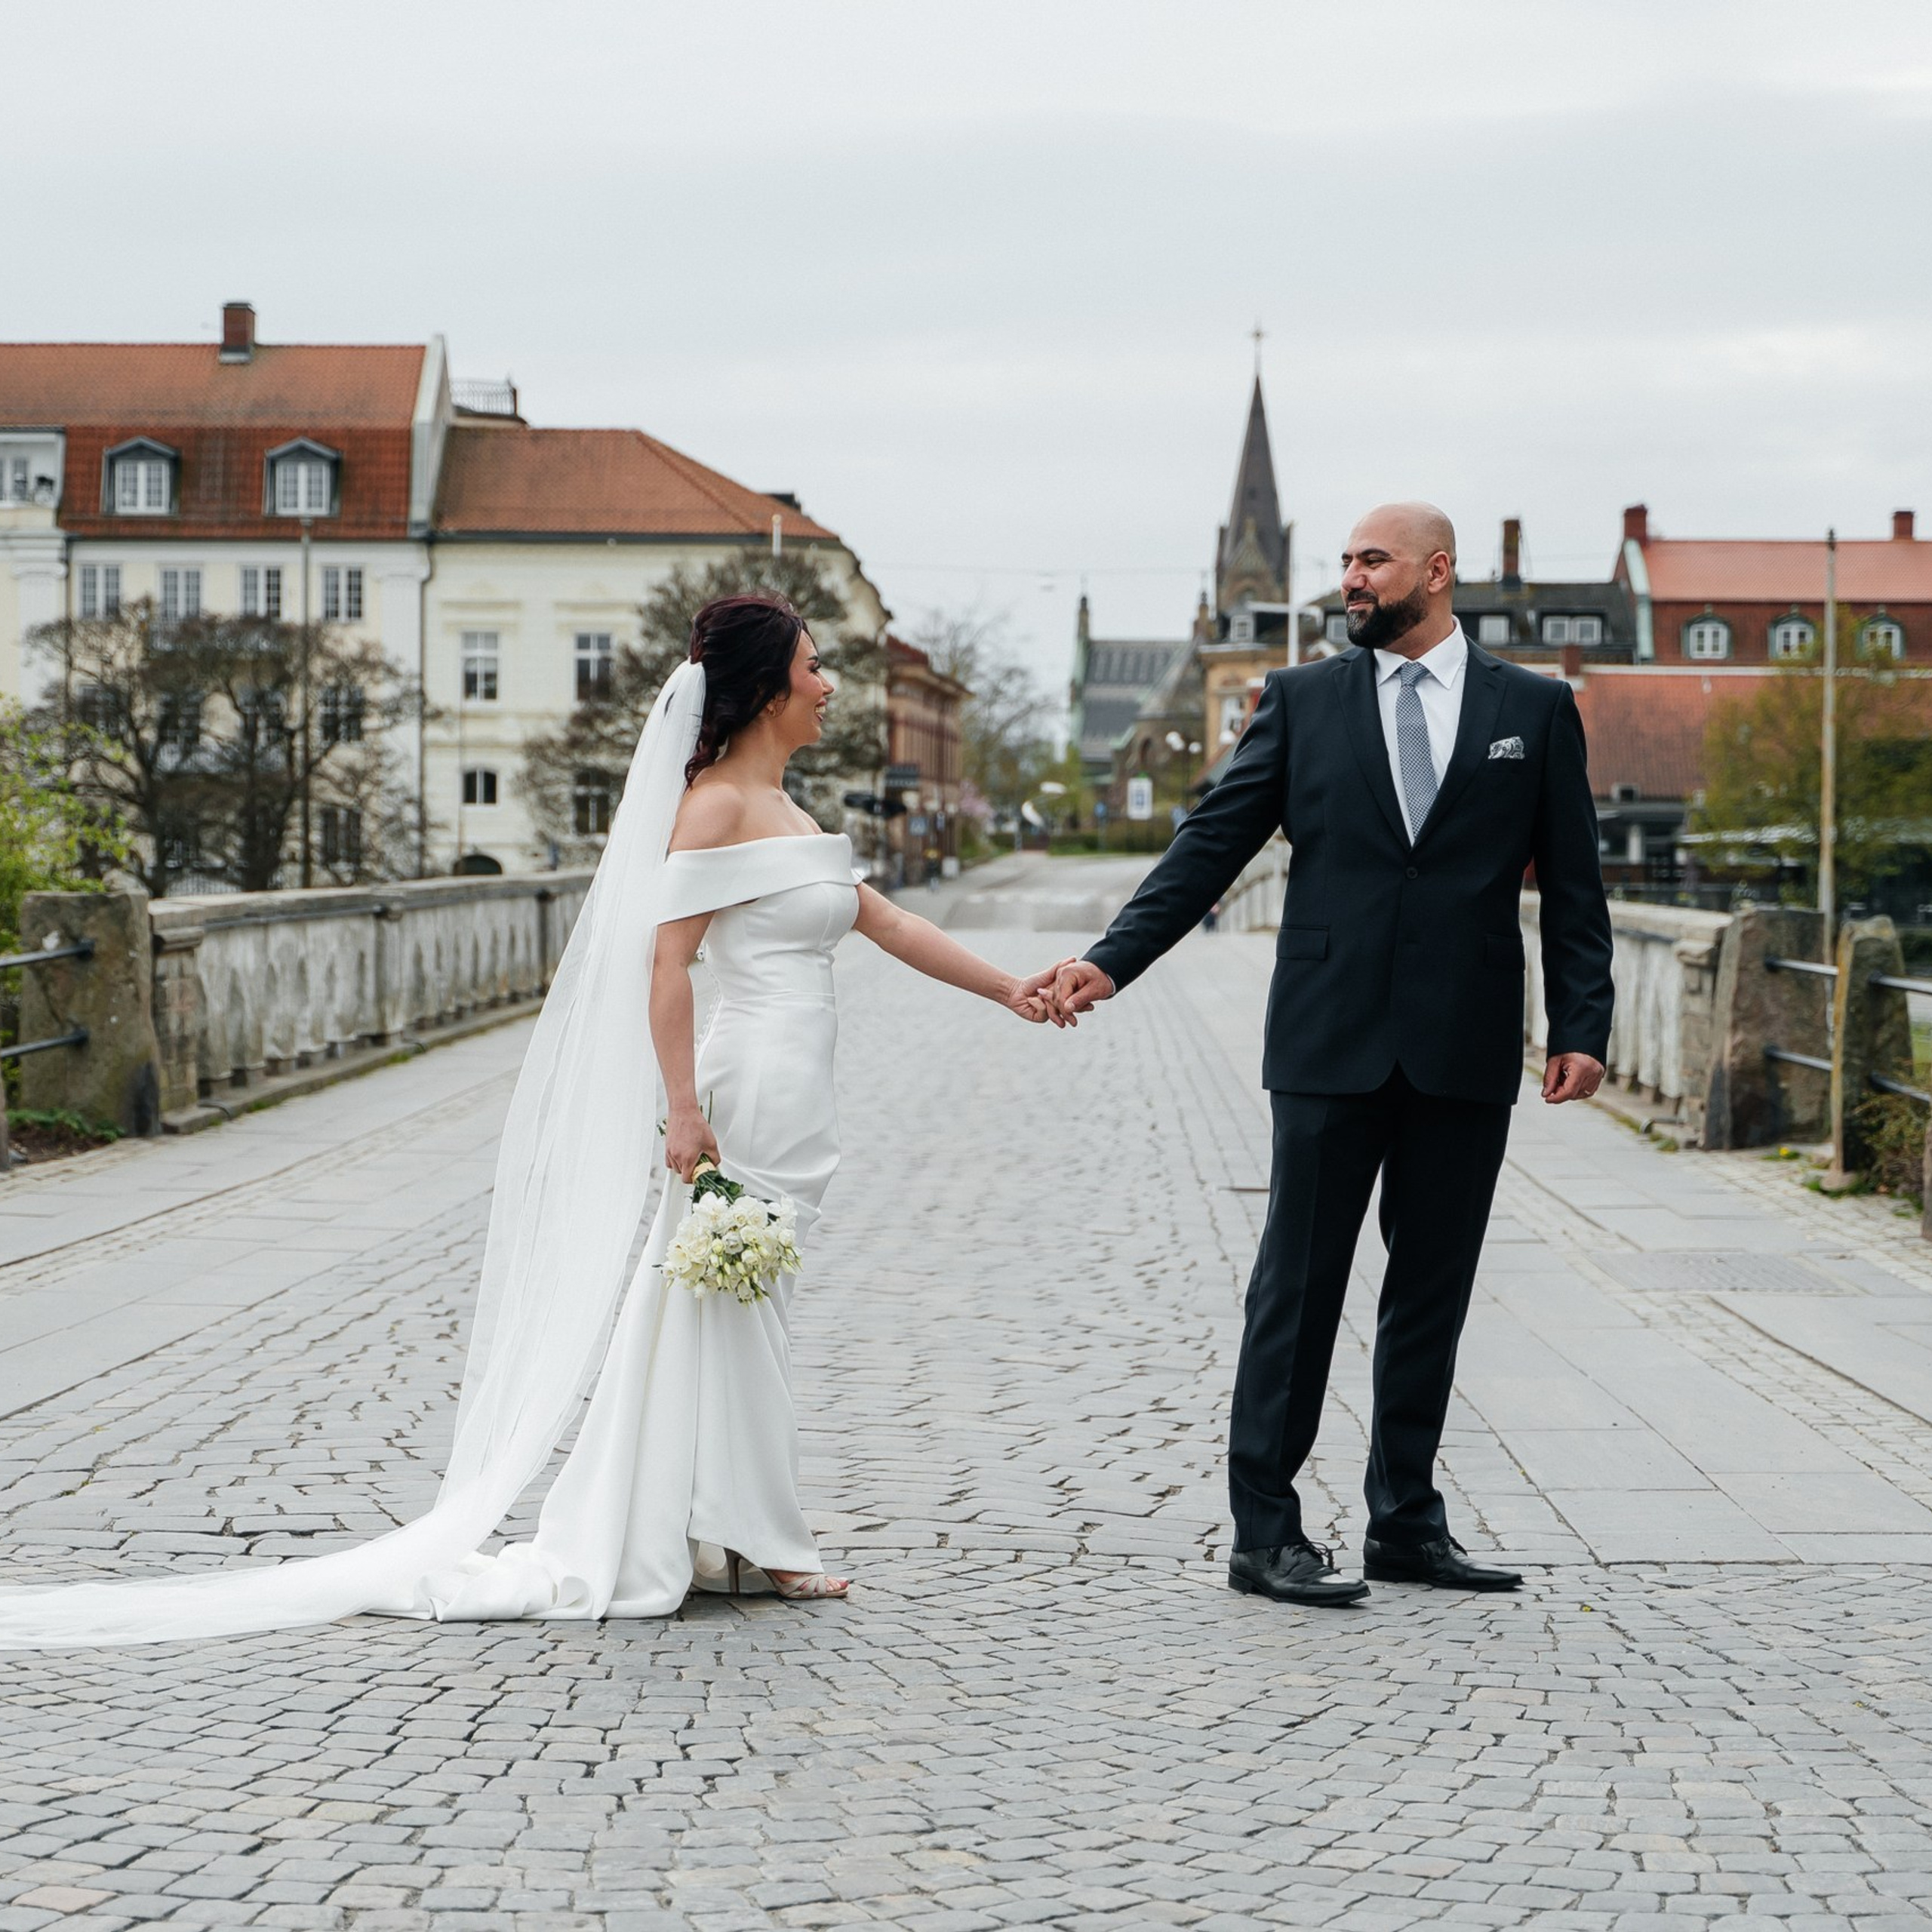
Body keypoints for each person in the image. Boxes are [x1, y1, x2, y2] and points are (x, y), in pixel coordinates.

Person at [0, 593, 1061, 1649]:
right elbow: (668, 967)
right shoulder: (712, 810)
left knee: (745, 1302)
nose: (829, 687)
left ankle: (724, 1530)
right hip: (747, 1085)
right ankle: (761, 1538)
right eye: (815, 668)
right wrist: (682, 1110)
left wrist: (1011, 987)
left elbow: (893, 923)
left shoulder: (793, 814)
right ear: (767, 690)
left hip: (802, 1086)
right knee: (730, 1300)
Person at [1042, 504, 1613, 1607]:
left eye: (1371, 562)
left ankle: (1406, 1521)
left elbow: (1577, 881)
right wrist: (1114, 960)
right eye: (1345, 562)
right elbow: (1212, 842)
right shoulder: (1301, 702)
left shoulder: (1533, 711)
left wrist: (1584, 1025)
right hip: (1326, 1039)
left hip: (1466, 1041)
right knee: (1296, 1288)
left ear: (1438, 573)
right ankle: (1266, 1530)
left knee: (1431, 1293)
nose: (1349, 580)